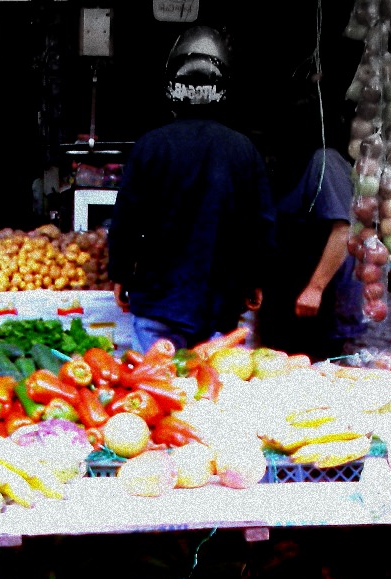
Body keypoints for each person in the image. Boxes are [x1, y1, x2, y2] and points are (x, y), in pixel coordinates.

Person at [106, 25, 275, 351]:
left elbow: (126, 221)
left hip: (158, 302)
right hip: (219, 306)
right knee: (210, 398)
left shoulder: (150, 146)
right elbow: (262, 226)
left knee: (158, 395)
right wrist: (255, 279)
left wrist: (120, 273)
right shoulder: (244, 150)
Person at [259, 144, 364, 362]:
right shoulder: (286, 167)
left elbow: (343, 230)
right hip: (286, 299)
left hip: (315, 303)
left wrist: (315, 288)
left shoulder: (325, 161)